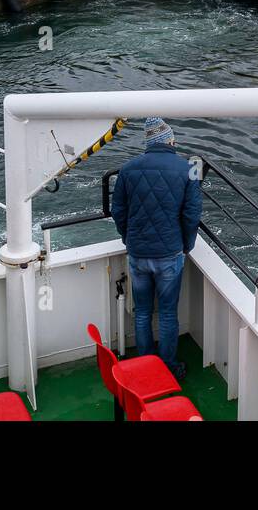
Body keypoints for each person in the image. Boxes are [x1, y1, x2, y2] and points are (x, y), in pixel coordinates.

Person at [111, 116, 201, 379]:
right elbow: (192, 214)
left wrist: (128, 238)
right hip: (170, 253)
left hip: (138, 253)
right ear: (170, 140)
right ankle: (168, 367)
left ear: (148, 143)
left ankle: (145, 366)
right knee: (167, 313)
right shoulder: (189, 168)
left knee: (142, 312)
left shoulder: (128, 169)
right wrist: (187, 244)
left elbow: (119, 211)